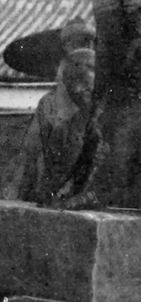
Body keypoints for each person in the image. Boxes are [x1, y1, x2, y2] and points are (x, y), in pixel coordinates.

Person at [15, 49, 96, 205]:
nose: (78, 90)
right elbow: (39, 160)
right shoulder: (56, 114)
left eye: (86, 85)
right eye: (72, 84)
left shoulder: (106, 119)